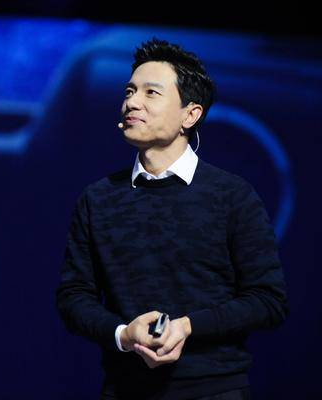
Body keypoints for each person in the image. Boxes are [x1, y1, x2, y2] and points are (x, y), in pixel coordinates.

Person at [55, 37, 289, 400]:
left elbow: (268, 300)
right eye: (129, 91)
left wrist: (188, 327)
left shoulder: (232, 195)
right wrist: (123, 335)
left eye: (151, 93)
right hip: (124, 390)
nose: (132, 102)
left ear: (190, 115)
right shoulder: (97, 199)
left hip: (214, 391)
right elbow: (74, 297)